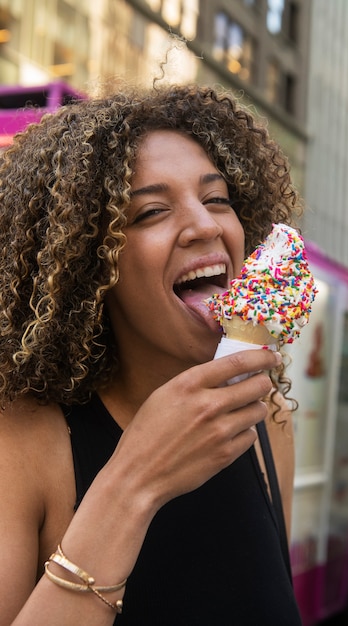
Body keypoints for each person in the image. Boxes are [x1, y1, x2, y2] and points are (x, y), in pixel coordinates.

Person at [0, 83, 303, 625]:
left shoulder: (266, 425)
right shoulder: (22, 441)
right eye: (150, 213)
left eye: (217, 200)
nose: (207, 225)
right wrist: (136, 480)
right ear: (87, 266)